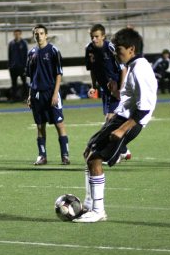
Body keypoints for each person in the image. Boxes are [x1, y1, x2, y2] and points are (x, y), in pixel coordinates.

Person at [74, 27, 157, 222]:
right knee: (88, 152)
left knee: (95, 159)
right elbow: (129, 99)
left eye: (119, 49)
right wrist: (115, 94)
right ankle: (89, 204)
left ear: (131, 49)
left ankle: (98, 210)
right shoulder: (133, 66)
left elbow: (144, 108)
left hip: (130, 122)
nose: (116, 53)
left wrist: (121, 129)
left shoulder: (141, 69)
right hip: (121, 118)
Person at [85, 23, 131, 161]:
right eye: (92, 37)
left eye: (97, 37)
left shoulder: (110, 48)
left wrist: (120, 89)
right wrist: (93, 86)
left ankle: (113, 153)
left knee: (110, 120)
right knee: (110, 121)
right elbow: (92, 69)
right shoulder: (89, 49)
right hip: (106, 90)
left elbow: (123, 69)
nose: (94, 39)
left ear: (103, 36)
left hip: (115, 88)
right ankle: (124, 150)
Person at [26, 24, 70, 165]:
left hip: (51, 92)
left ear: (46, 35)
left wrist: (55, 94)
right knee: (40, 125)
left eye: (41, 33)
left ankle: (65, 154)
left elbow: (58, 73)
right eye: (36, 33)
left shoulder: (53, 51)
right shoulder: (31, 53)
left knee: (59, 124)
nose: (38, 35)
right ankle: (42, 156)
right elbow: (31, 76)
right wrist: (29, 95)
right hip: (36, 94)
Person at [8, 28, 28, 101]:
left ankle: (25, 97)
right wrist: (9, 65)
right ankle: (14, 98)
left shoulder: (24, 43)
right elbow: (9, 55)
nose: (16, 35)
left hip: (22, 67)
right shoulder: (11, 44)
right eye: (15, 34)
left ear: (20, 34)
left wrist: (26, 66)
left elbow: (26, 55)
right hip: (13, 67)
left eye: (18, 34)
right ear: (14, 34)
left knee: (24, 82)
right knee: (14, 83)